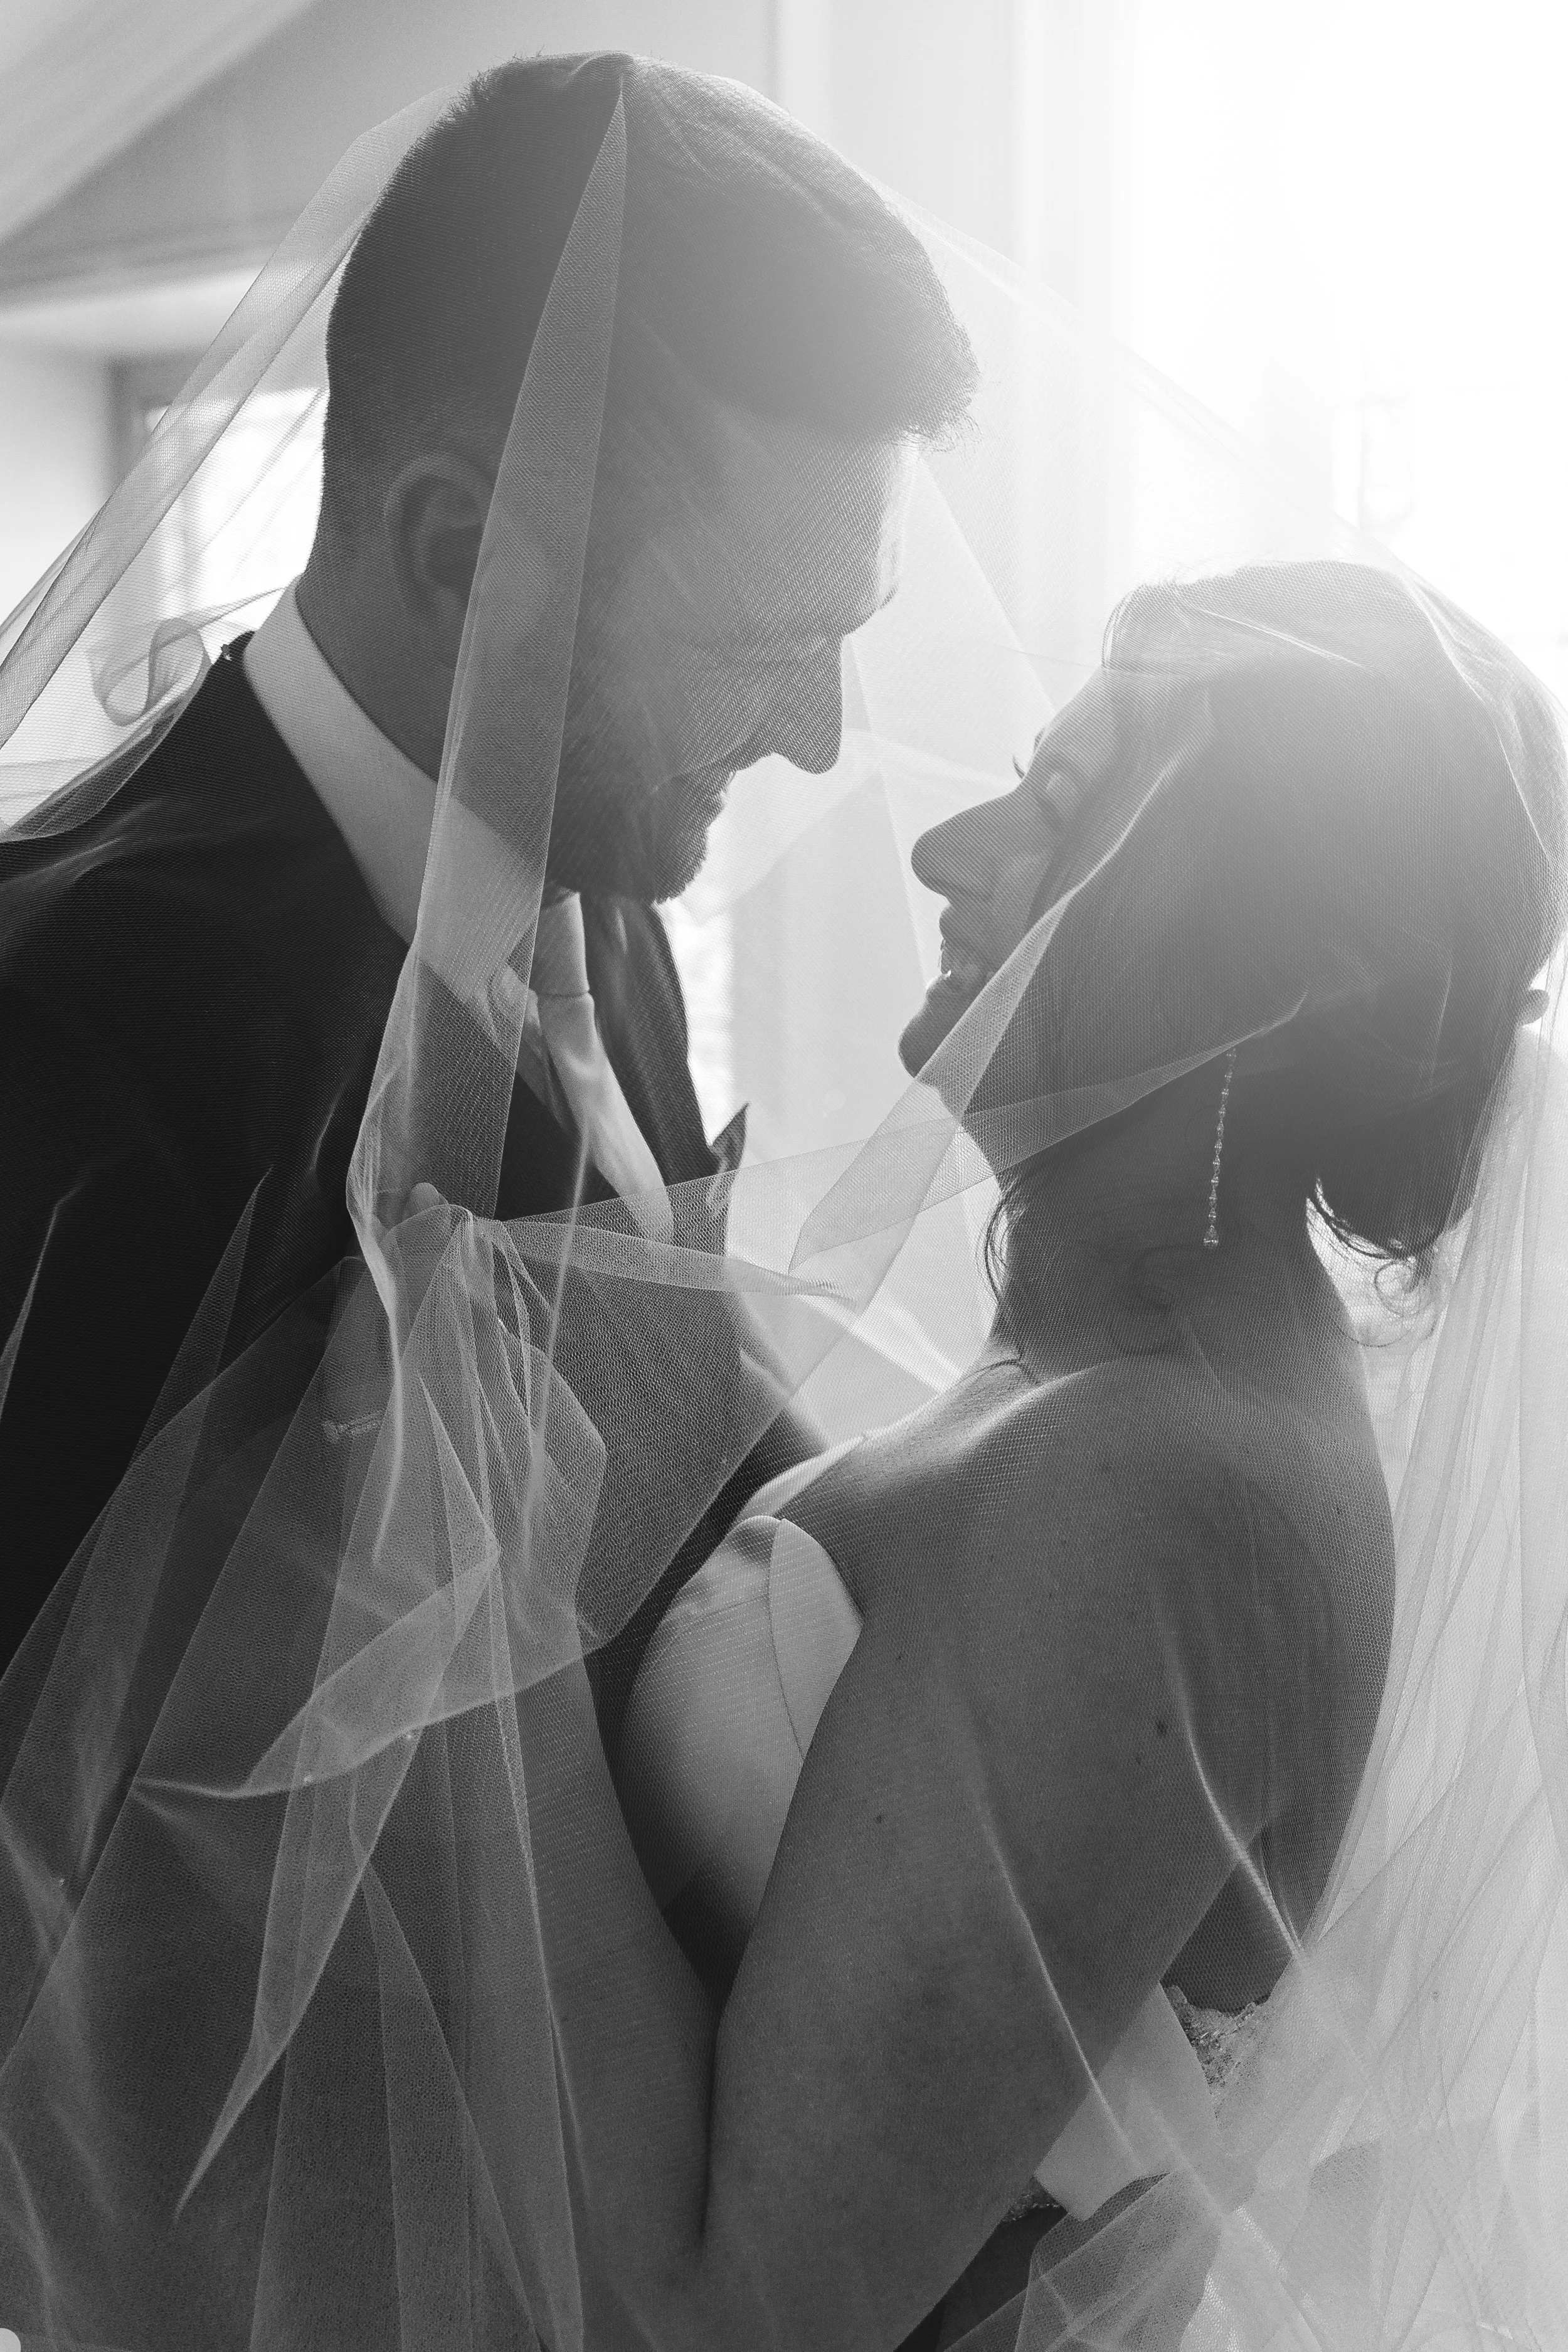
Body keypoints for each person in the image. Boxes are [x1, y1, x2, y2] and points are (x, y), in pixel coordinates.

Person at [594, 560, 1567, 2346]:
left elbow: (743, 2315)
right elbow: (898, 1607)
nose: (946, 853)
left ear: (1285, 969)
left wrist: (449, 1627)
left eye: (1063, 807)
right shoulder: (1122, 1376)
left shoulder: (1157, 1485)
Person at [0, 50, 975, 1676]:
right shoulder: (79, 1027)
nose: (812, 736)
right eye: (758, 641)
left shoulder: (607, 889)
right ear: (463, 552)